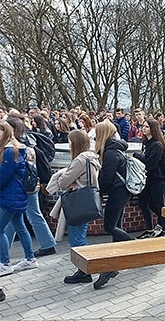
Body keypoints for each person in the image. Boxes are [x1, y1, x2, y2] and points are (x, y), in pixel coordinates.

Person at [4, 117, 57, 258]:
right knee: (18, 219)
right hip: (31, 186)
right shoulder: (28, 143)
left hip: (22, 187)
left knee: (27, 216)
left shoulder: (16, 147)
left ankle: (47, 245)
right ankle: (47, 244)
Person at [94, 120, 133, 289]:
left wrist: (98, 190)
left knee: (109, 226)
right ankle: (114, 265)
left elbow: (106, 179)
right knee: (117, 225)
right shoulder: (116, 148)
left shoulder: (110, 153)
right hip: (122, 191)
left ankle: (135, 247)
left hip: (118, 192)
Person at [60, 131, 102, 284]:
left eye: (70, 141)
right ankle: (85, 269)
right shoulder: (91, 158)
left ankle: (86, 270)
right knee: (80, 234)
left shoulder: (79, 160)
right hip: (86, 201)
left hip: (77, 202)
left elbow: (63, 182)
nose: (68, 144)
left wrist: (65, 178)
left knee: (77, 237)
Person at [0, 121, 38, 275]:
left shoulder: (10, 151)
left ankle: (5, 263)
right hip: (14, 194)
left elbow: (3, 175)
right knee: (20, 227)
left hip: (10, 195)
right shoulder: (14, 148)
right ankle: (30, 258)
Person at [134, 118, 165, 238]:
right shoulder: (146, 143)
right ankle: (149, 229)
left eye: (147, 127)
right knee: (143, 202)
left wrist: (138, 157)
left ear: (153, 129)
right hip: (147, 178)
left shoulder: (157, 145)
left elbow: (150, 164)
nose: (144, 128)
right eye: (143, 126)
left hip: (157, 178)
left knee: (159, 204)